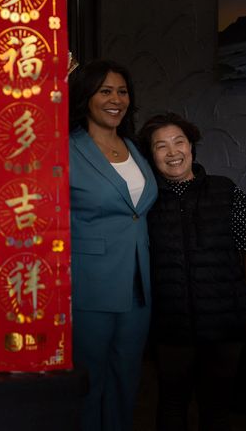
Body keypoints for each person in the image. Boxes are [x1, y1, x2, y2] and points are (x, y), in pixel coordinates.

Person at [137, 112, 246, 430]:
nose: (173, 153)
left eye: (179, 142)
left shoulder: (227, 191)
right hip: (171, 324)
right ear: (150, 155)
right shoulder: (145, 201)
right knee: (171, 404)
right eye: (161, 146)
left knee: (217, 407)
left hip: (224, 319)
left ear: (192, 146)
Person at [68, 59, 158, 431]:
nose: (115, 99)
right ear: (86, 97)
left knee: (127, 377)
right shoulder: (66, 150)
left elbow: (137, 211)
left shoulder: (134, 147)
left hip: (138, 284)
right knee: (90, 382)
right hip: (90, 283)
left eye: (122, 91)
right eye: (105, 91)